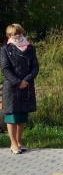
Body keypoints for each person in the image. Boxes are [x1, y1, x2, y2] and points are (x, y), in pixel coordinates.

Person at [1, 24, 38, 154]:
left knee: (22, 116)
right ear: (9, 36)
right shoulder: (5, 49)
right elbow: (5, 69)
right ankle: (13, 143)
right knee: (12, 117)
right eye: (13, 34)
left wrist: (26, 80)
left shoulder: (30, 48)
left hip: (26, 86)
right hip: (12, 88)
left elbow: (35, 67)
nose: (17, 36)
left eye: (19, 33)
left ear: (22, 33)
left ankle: (19, 141)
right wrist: (18, 82)